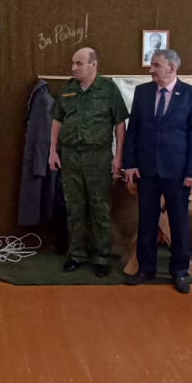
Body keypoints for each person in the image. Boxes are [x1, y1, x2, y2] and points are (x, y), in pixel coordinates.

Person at [121, 49, 192, 294]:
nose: (151, 70)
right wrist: (130, 164)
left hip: (177, 172)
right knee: (146, 220)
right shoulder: (143, 92)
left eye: (156, 65)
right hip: (146, 169)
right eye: (152, 65)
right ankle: (146, 269)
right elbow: (133, 130)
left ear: (172, 68)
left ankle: (179, 271)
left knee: (179, 223)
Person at [49, 47, 128, 278]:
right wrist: (52, 152)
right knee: (74, 207)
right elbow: (57, 121)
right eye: (73, 63)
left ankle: (101, 257)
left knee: (99, 207)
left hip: (98, 157)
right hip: (70, 157)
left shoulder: (108, 88)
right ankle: (76, 254)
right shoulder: (67, 89)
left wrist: (119, 156)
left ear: (93, 65)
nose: (73, 68)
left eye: (79, 63)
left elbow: (120, 124)